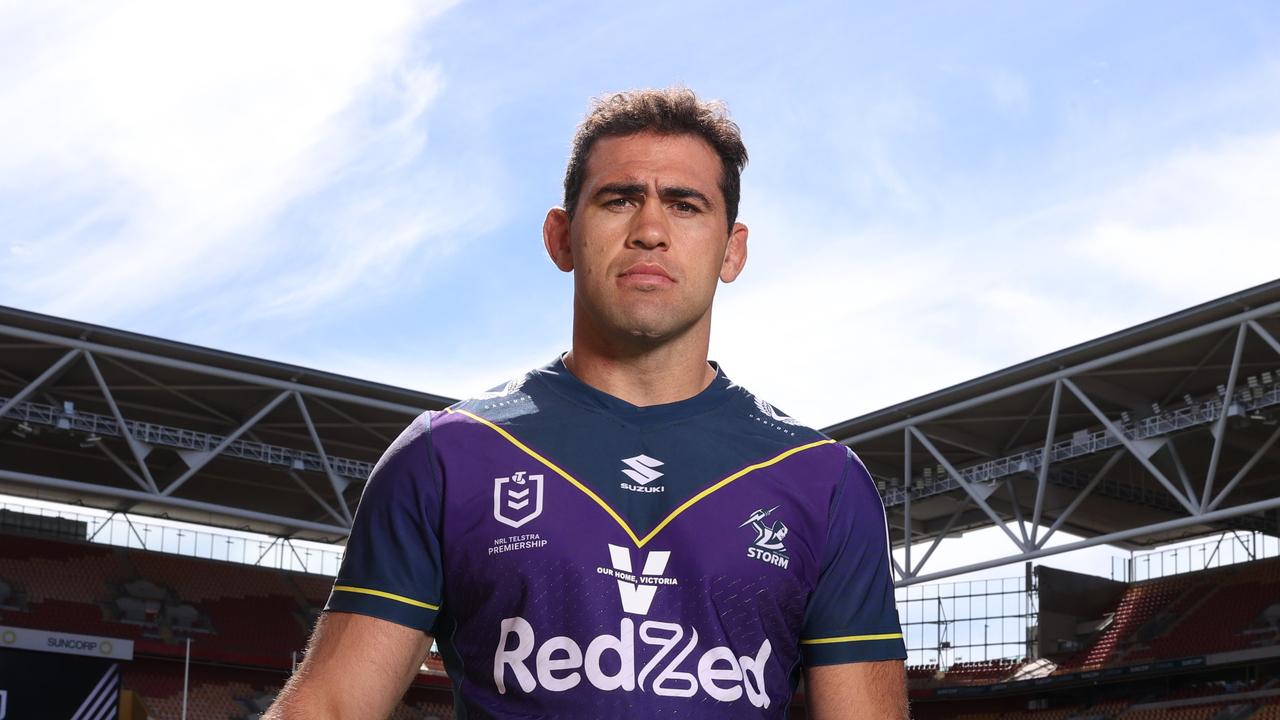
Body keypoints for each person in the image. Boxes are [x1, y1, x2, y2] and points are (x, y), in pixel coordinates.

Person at [265, 88, 907, 719]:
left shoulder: (823, 481)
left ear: (732, 250)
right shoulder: (447, 454)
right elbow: (330, 705)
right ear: (562, 237)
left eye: (685, 205)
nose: (650, 230)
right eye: (619, 199)